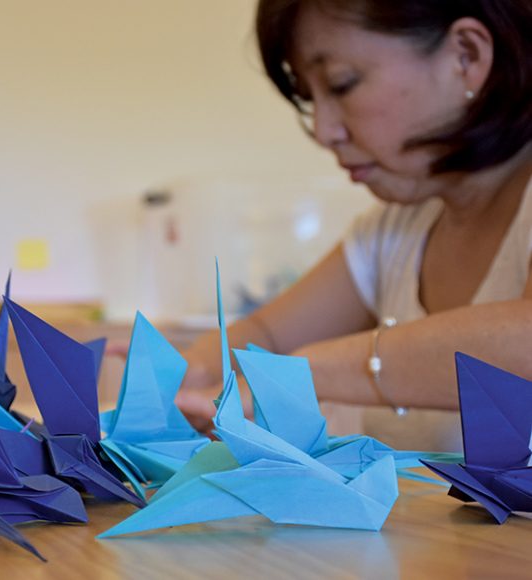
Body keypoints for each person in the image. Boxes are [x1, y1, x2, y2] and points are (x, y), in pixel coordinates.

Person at [174, 0, 532, 451]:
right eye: (310, 100)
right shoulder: (395, 230)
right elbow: (265, 337)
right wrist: (191, 371)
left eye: (342, 84)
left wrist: (307, 371)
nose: (324, 132)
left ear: (467, 56)